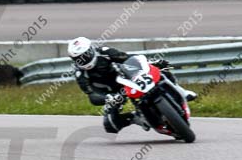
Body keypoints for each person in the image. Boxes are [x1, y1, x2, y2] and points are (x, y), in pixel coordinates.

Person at [67, 36, 197, 134]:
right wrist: (107, 98)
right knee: (110, 125)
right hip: (113, 94)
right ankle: (136, 118)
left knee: (160, 69)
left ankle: (182, 91)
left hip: (127, 77)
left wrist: (149, 63)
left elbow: (127, 58)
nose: (83, 60)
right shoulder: (80, 74)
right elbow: (92, 96)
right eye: (79, 58)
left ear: (91, 50)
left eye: (85, 55)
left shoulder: (104, 52)